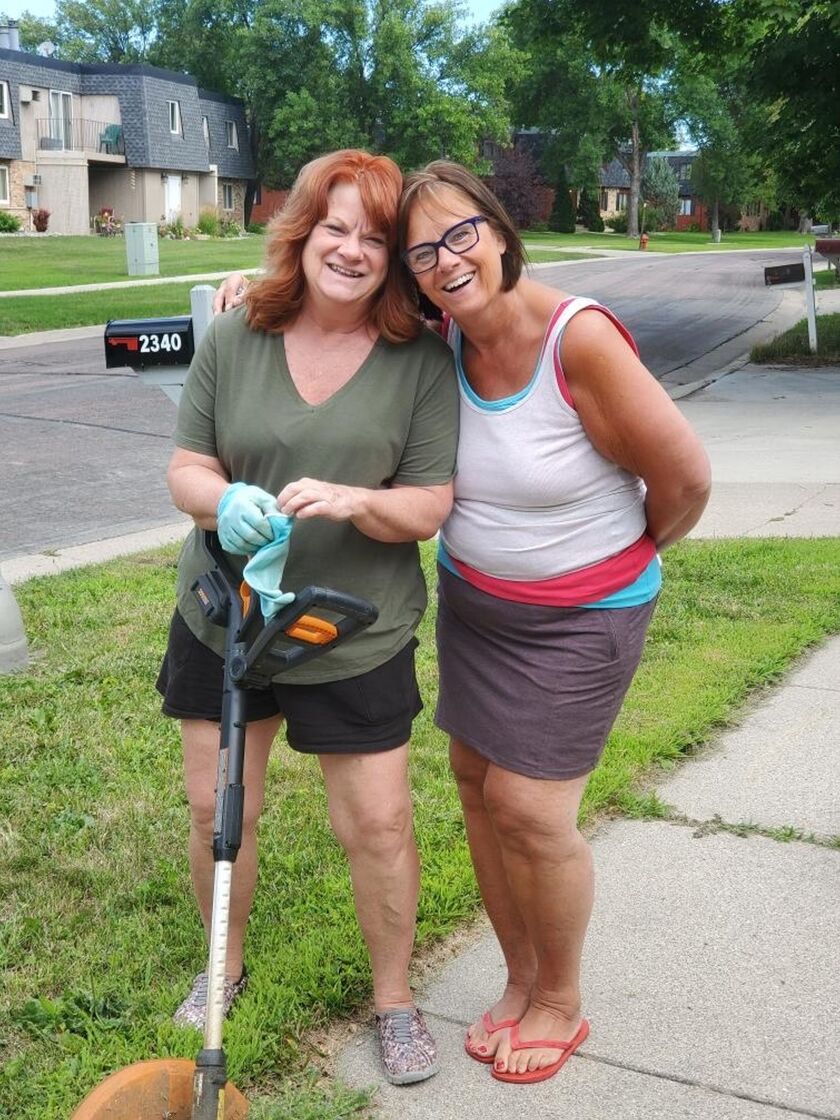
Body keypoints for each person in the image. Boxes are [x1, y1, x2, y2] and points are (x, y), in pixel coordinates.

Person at [215, 160, 711, 1085]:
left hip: (580, 618)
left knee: (531, 810)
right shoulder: (444, 336)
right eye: (423, 252)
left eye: (461, 235)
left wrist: (621, 555)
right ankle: (520, 980)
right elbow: (332, 305)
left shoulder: (577, 338)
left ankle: (559, 1000)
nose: (446, 261)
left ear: (498, 230)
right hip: (478, 609)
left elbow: (685, 480)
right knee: (478, 790)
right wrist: (257, 289)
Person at [157, 149, 458, 1086]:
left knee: (379, 824)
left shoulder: (420, 363)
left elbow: (430, 505)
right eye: (335, 226)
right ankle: (223, 968)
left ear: (394, 258)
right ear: (304, 231)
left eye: (375, 237)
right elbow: (187, 467)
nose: (351, 249)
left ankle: (394, 1000)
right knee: (217, 808)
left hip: (351, 628)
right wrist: (221, 502)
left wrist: (356, 501)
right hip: (226, 616)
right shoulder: (237, 330)